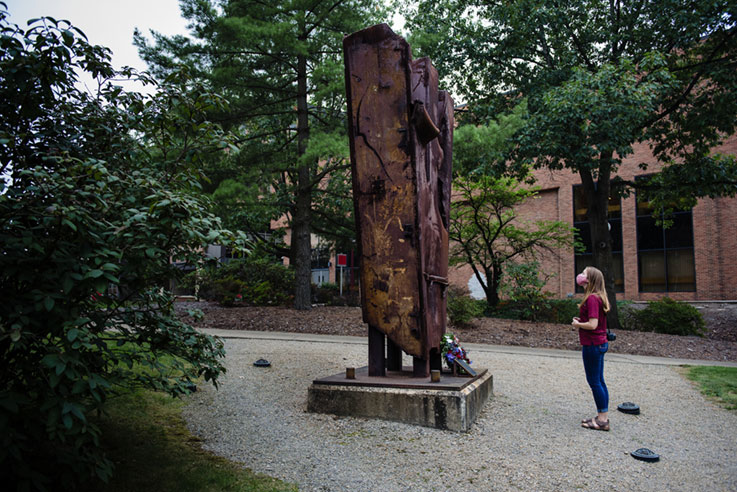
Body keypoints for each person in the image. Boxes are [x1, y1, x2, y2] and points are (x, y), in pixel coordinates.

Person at [572, 266, 610, 431]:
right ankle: (603, 416)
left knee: (594, 382)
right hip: (599, 343)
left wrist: (577, 324)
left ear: (590, 279)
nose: (580, 276)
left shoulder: (593, 299)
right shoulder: (598, 297)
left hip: (593, 345)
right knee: (599, 381)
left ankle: (602, 421)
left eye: (584, 274)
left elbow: (593, 325)